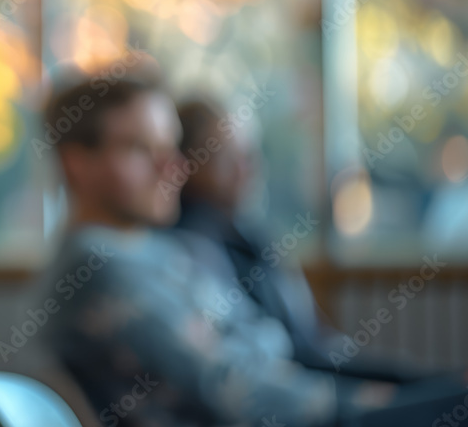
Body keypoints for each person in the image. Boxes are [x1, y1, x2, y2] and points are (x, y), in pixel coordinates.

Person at [33, 58, 468, 427]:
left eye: (169, 147)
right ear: (78, 165)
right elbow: (231, 384)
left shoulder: (150, 248)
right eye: (139, 149)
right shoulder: (99, 267)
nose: (174, 167)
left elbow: (260, 347)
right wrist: (378, 401)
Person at [174, 97, 428, 383]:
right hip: (295, 393)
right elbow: (274, 359)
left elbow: (316, 338)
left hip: (318, 374)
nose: (245, 170)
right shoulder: (191, 249)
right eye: (225, 159)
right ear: (185, 166)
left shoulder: (253, 238)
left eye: (248, 156)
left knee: (430, 388)